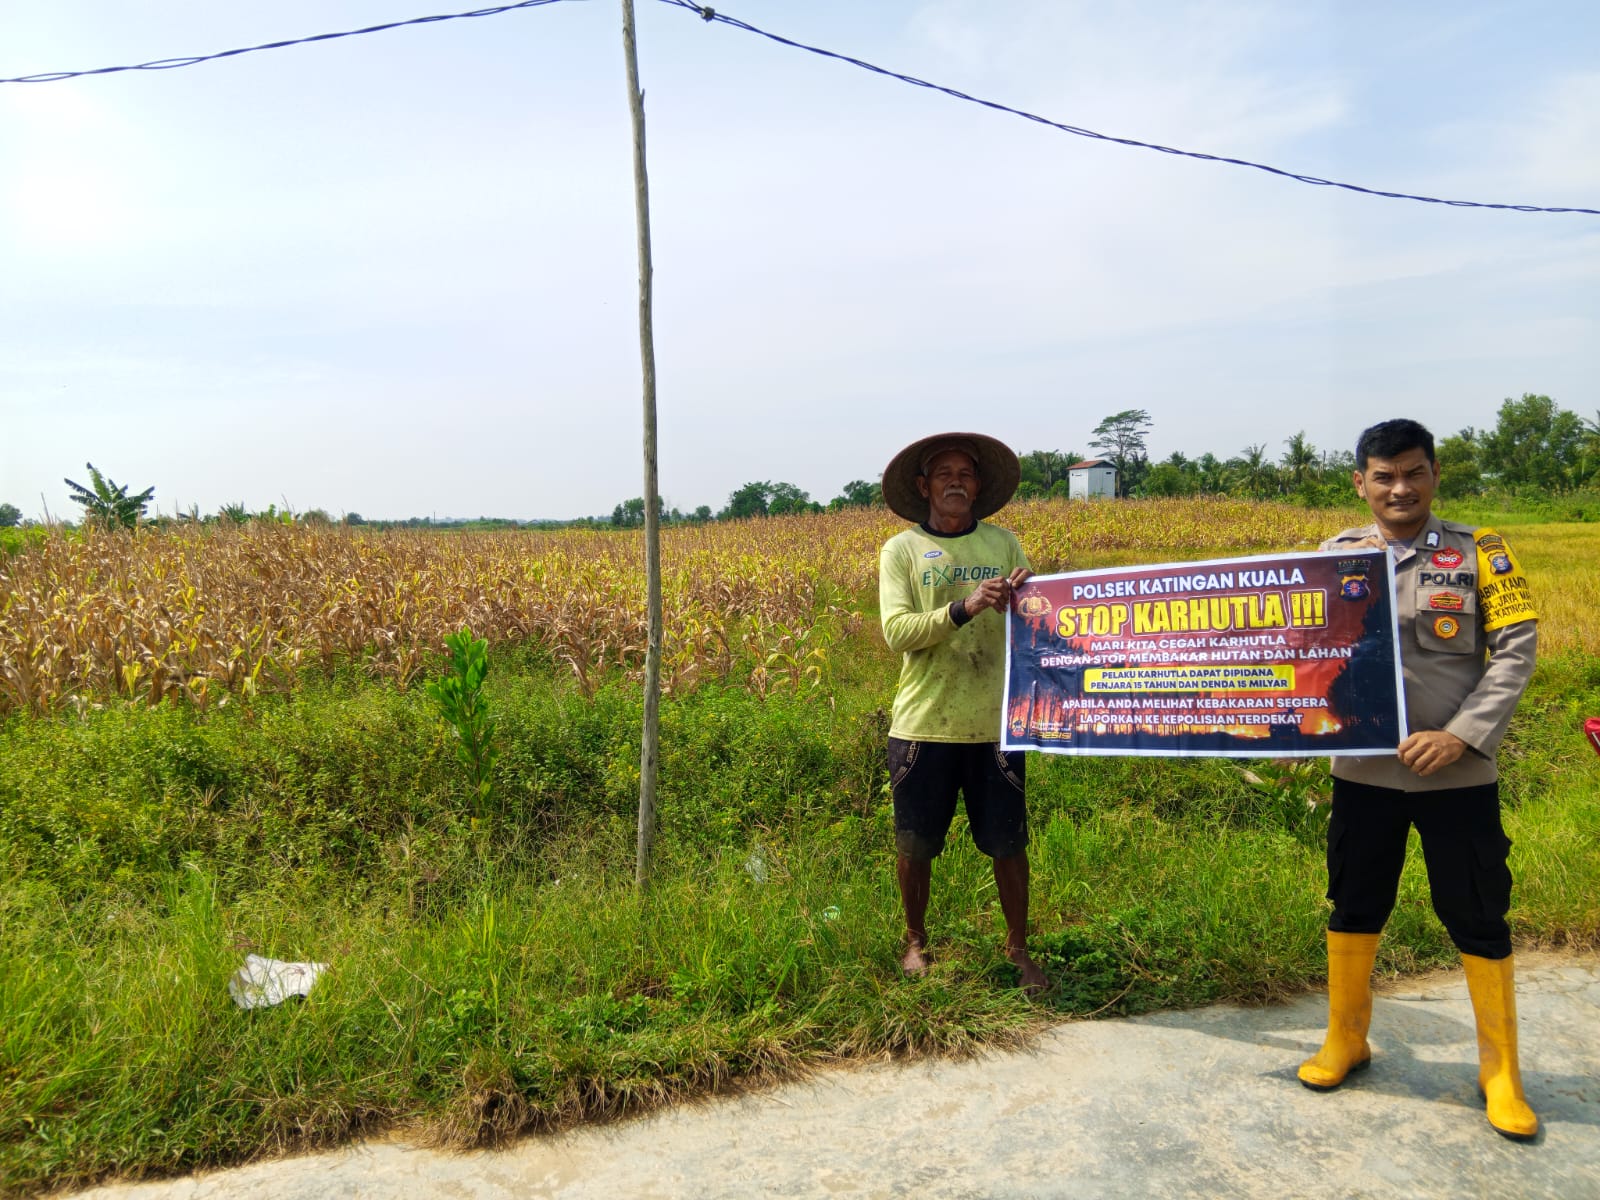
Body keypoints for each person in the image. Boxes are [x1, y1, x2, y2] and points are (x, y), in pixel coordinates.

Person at [1300, 418, 1540, 1140]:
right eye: (1384, 475)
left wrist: (1461, 734)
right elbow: (1304, 647)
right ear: (1361, 483)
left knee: (1475, 910)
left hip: (1457, 775)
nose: (1399, 488)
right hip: (1364, 772)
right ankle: (1347, 1038)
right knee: (1355, 901)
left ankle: (1500, 1071)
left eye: (1413, 472)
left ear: (1435, 474)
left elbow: (1516, 651)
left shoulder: (1480, 553)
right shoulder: (1333, 556)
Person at [877, 432, 1045, 992]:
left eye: (966, 473)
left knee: (1008, 841)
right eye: (943, 473)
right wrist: (966, 605)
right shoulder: (901, 551)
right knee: (915, 843)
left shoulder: (1003, 544)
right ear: (924, 486)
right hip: (925, 722)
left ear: (979, 487)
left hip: (997, 723)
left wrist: (1029, 596)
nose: (955, 481)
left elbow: (1040, 619)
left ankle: (1018, 948)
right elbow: (898, 631)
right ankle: (915, 940)